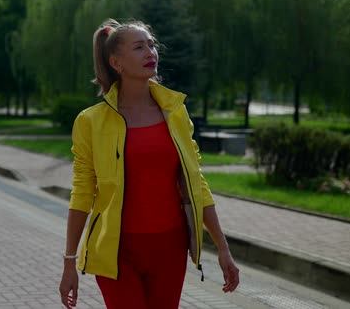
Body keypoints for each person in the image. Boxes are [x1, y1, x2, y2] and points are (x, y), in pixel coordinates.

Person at [59, 18, 239, 309]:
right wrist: (69, 262)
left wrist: (223, 248)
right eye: (139, 47)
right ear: (116, 63)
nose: (150, 52)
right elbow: (82, 193)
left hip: (170, 248)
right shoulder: (90, 121)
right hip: (117, 252)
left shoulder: (175, 113)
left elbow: (197, 183)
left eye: (152, 45)